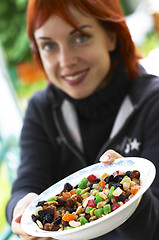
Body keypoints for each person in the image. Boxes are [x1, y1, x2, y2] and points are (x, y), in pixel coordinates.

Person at [6, 0, 159, 239]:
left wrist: (127, 196)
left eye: (79, 38)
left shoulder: (153, 103)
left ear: (111, 36)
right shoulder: (42, 109)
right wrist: (22, 208)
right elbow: (27, 183)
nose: (66, 61)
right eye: (48, 46)